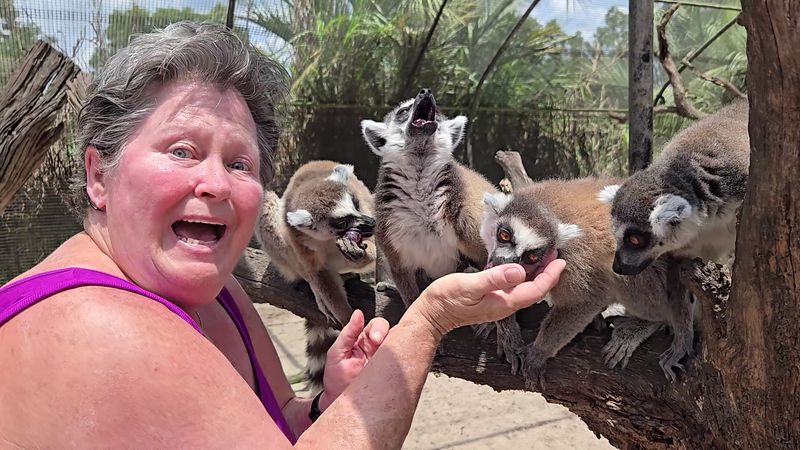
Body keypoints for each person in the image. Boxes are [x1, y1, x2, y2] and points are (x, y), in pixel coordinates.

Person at [0, 21, 566, 448]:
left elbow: (281, 426)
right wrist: (429, 320)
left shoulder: (219, 292)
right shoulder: (100, 325)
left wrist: (330, 401)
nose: (216, 182)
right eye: (182, 151)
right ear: (100, 174)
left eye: (241, 164)